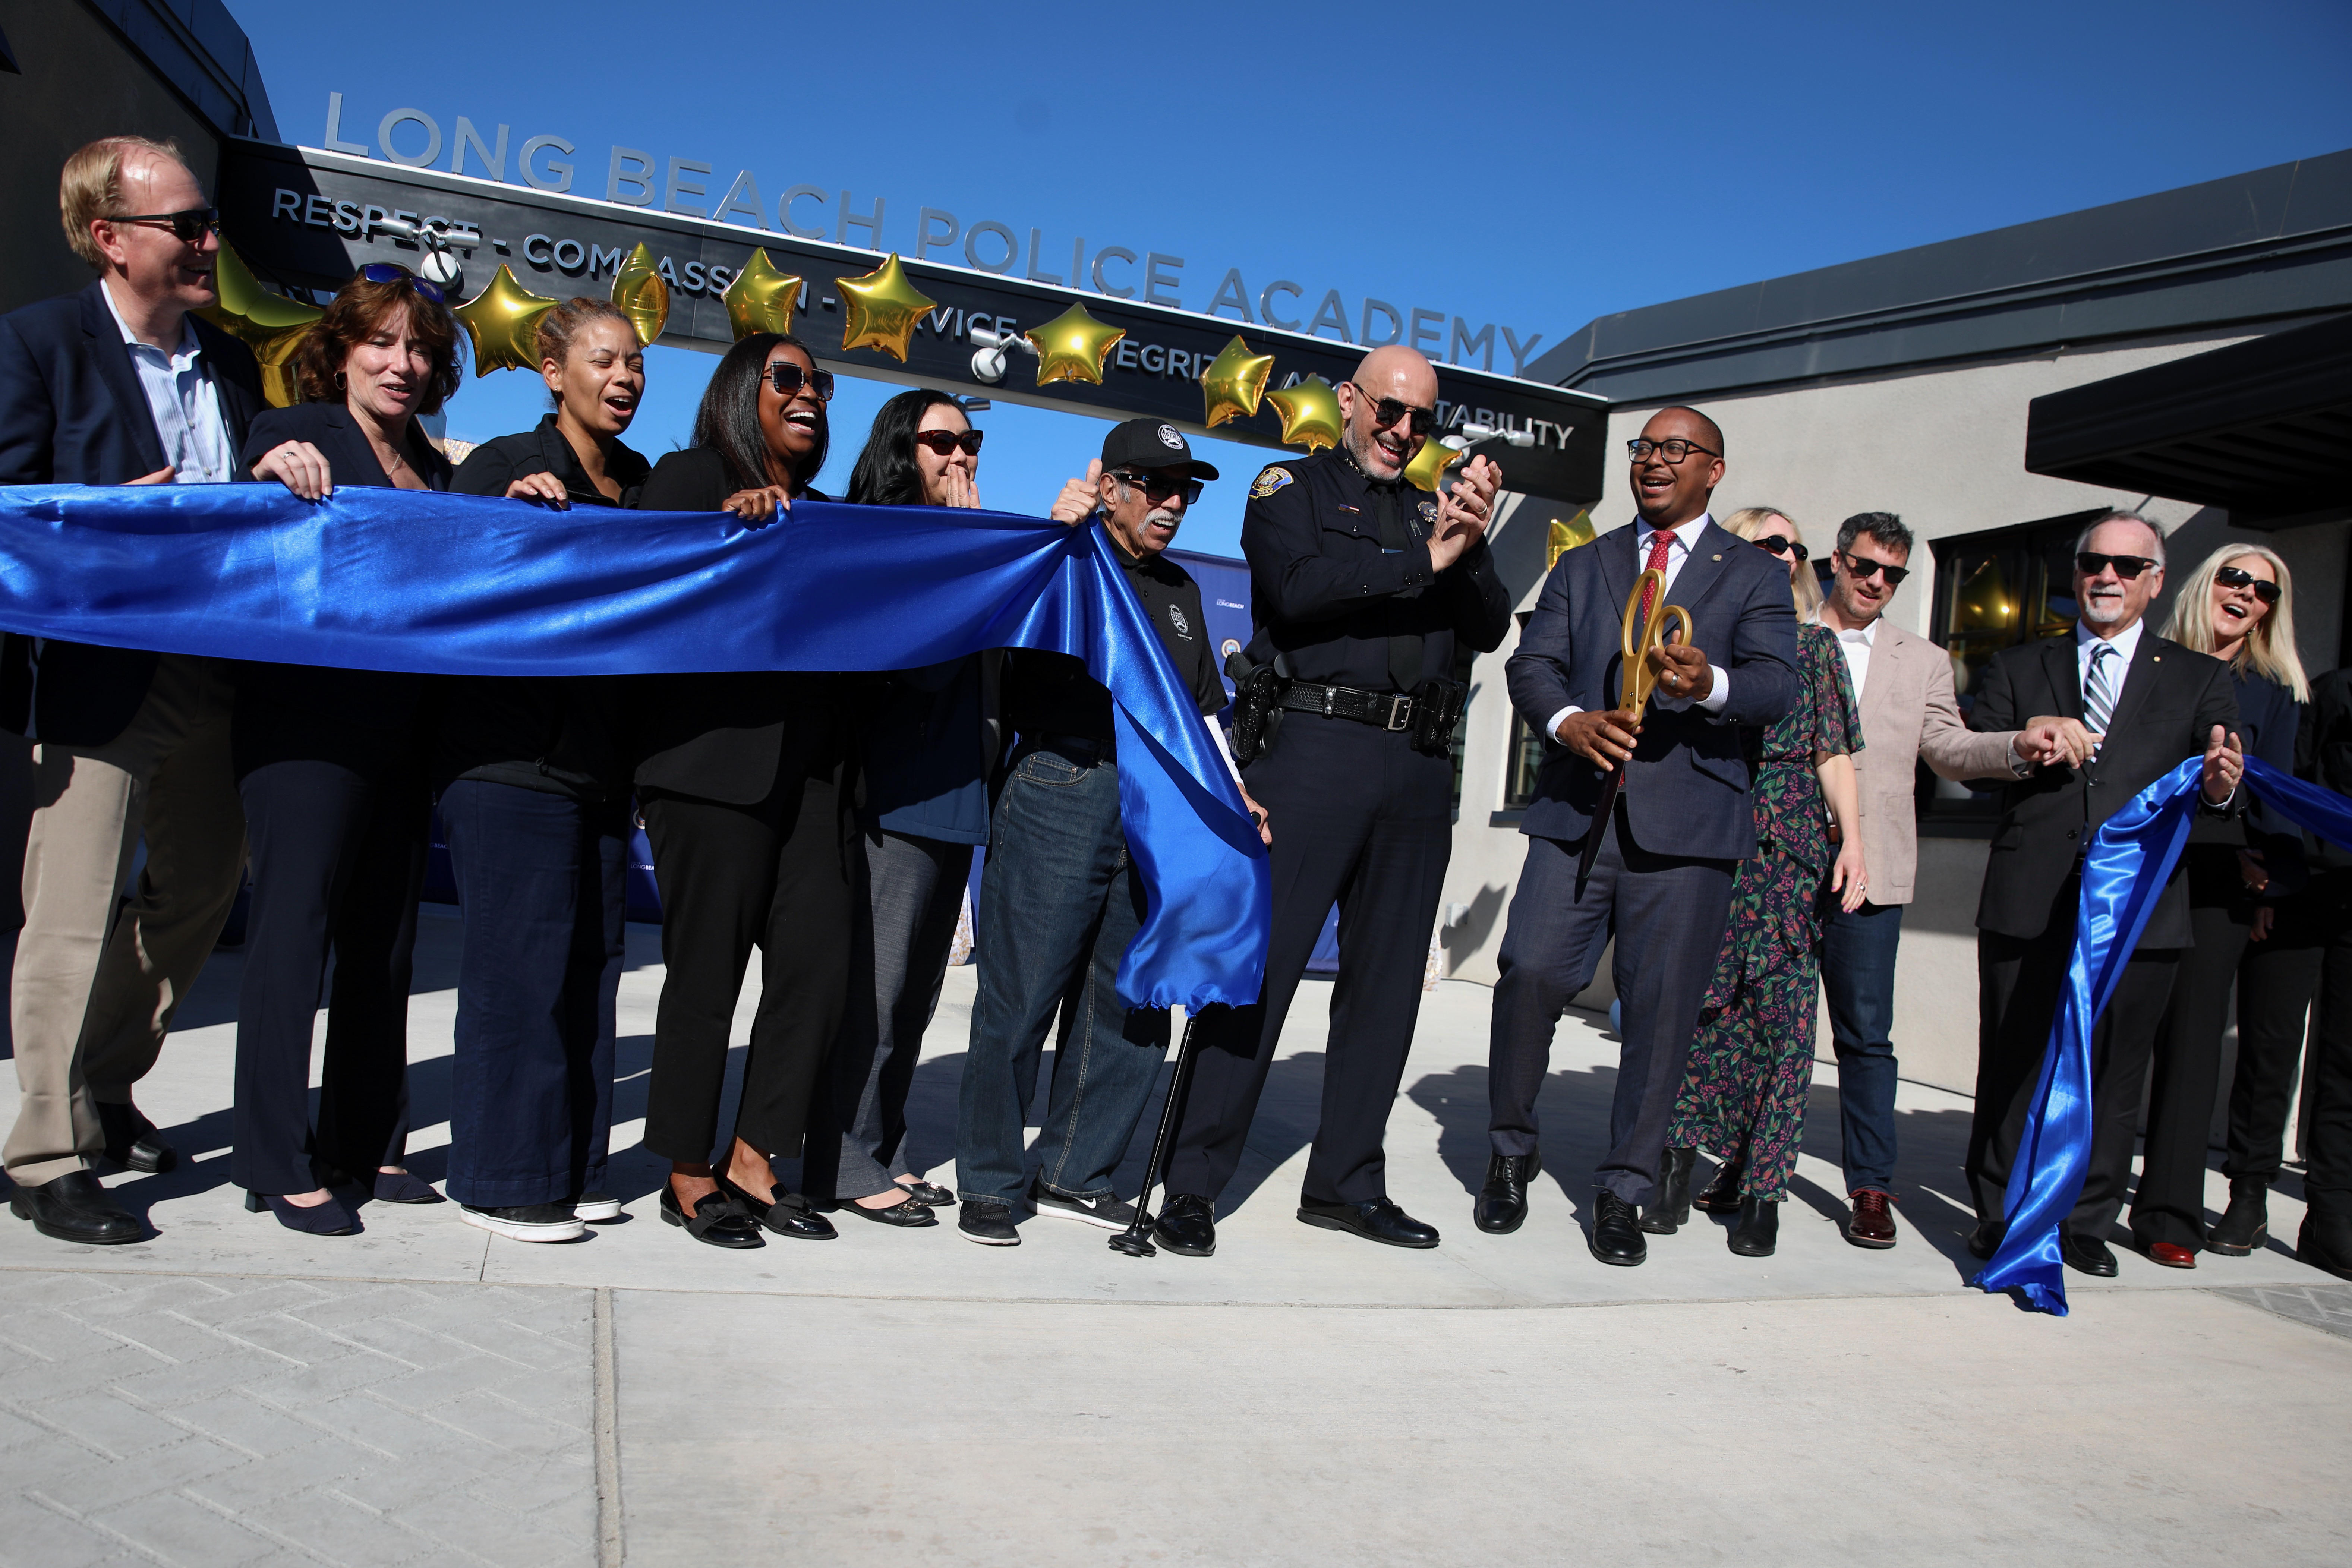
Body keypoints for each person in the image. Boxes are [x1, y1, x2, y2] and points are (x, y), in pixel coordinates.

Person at [1154, 344, 1506, 1258]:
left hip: (1416, 767)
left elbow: (1489, 625)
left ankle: (1346, 1183)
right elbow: (1298, 591)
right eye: (1388, 412)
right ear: (1349, 402)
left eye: (1420, 421)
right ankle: (1190, 1182)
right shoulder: (1289, 489)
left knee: (1385, 991)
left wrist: (1471, 539)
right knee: (1256, 977)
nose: (1403, 433)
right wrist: (1427, 555)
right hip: (1312, 752)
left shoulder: (1441, 512)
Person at [0, 136, 264, 1245]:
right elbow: (8, 506)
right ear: (109, 237)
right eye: (188, 226)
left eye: (209, 224)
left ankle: (107, 1086)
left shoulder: (235, 368)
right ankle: (43, 1154)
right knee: (70, 912)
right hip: (98, 678)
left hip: (216, 668)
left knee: (202, 886)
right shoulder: (37, 346)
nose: (210, 243)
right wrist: (94, 509)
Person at [1477, 407, 1798, 1267]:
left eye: (1674, 450)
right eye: (1643, 448)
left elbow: (1776, 686)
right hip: (1577, 813)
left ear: (1713, 471)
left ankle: (1621, 1190)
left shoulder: (1754, 576)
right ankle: (1509, 1153)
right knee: (1530, 972)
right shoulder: (1583, 564)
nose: (1654, 462)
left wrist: (1710, 682)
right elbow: (1530, 665)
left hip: (1690, 829)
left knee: (1658, 1019)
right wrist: (1569, 720)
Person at [955, 419, 1265, 1246]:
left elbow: (1200, 714)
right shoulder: (1062, 556)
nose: (1172, 504)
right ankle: (988, 1179)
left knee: (1131, 998)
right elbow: (995, 627)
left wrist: (1234, 797)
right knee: (1021, 991)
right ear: (1112, 485)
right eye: (1156, 485)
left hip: (1156, 802)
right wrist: (1060, 532)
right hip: (1063, 779)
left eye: (1186, 490)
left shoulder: (1182, 591)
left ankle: (1073, 1170)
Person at [231, 263, 469, 1235]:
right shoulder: (295, 434)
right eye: (381, 343)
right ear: (340, 352)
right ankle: (274, 1159)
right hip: (307, 726)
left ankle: (366, 1138)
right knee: (294, 936)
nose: (401, 364)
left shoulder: (444, 472)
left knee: (385, 944)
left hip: (408, 732)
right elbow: (243, 513)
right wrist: (268, 476)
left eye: (418, 348)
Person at [1962, 511, 2242, 1278]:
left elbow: (2224, 783)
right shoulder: (2019, 666)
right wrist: (2023, 748)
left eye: (2125, 565)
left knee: (2115, 1069)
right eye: (2092, 562)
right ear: (2075, 573)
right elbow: (1968, 761)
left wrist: (2219, 789)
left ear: (2153, 582)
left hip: (2142, 907)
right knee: (2013, 1058)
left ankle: (2084, 1219)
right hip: (2029, 894)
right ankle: (1998, 1209)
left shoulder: (2196, 675)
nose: (2106, 576)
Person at [629, 332, 849, 1249]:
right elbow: (644, 591)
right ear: (739, 391)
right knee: (707, 975)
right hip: (708, 771)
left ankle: (757, 1156)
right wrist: (727, 532)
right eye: (788, 378)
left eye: (819, 383)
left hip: (813, 779)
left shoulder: (834, 516)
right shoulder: (688, 479)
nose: (808, 394)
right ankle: (686, 1169)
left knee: (817, 966)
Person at [440, 297, 653, 1242]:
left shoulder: (647, 485)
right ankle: (498, 1177)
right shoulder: (500, 466)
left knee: (588, 975)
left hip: (604, 769)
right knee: (517, 976)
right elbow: (440, 564)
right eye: (605, 360)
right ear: (552, 373)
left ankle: (568, 1164)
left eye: (636, 364)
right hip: (511, 763)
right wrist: (501, 517)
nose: (624, 379)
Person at [1809, 512, 2039, 1248]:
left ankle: (1870, 1186)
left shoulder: (1923, 659)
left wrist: (2016, 747)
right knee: (1757, 1025)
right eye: (1864, 567)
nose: (1876, 582)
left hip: (1871, 867)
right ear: (1836, 562)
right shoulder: (1784, 635)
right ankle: (1744, 1163)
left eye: (1892, 574)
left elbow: (1945, 746)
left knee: (1864, 1036)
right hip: (1776, 857)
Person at [802, 389, 993, 1227]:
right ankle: (839, 1159)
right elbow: (914, 664)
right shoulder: (886, 535)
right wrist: (962, 545)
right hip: (896, 796)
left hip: (958, 797)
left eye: (970, 440)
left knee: (914, 1003)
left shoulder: (977, 541)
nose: (959, 455)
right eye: (940, 440)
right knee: (873, 1000)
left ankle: (883, 1148)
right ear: (900, 448)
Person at [1661, 508, 1867, 1258]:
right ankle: (1673, 1163)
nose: (1784, 554)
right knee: (1697, 1007)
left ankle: (1762, 1191)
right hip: (1707, 827)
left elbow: (1833, 753)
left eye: (1793, 547)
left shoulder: (1815, 648)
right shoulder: (1690, 644)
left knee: (1785, 1020)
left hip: (1789, 845)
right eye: (1766, 543)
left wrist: (1854, 841)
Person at [2131, 545, 2308, 1267]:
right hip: (2132, 869)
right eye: (2234, 577)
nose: (2244, 594)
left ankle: (2168, 1212)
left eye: (2262, 589)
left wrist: (2268, 876)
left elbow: (2277, 795)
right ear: (2205, 583)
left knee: (2192, 1046)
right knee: (2111, 1036)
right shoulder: (2144, 660)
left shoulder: (2271, 690)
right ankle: (2073, 1194)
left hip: (2215, 884)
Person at [2257, 669, 2352, 1280]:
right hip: (2301, 892)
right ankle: (2247, 1196)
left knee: (2344, 1064)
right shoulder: (2332, 692)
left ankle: (2329, 1219)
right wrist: (2271, 876)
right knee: (2270, 1051)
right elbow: (2284, 785)